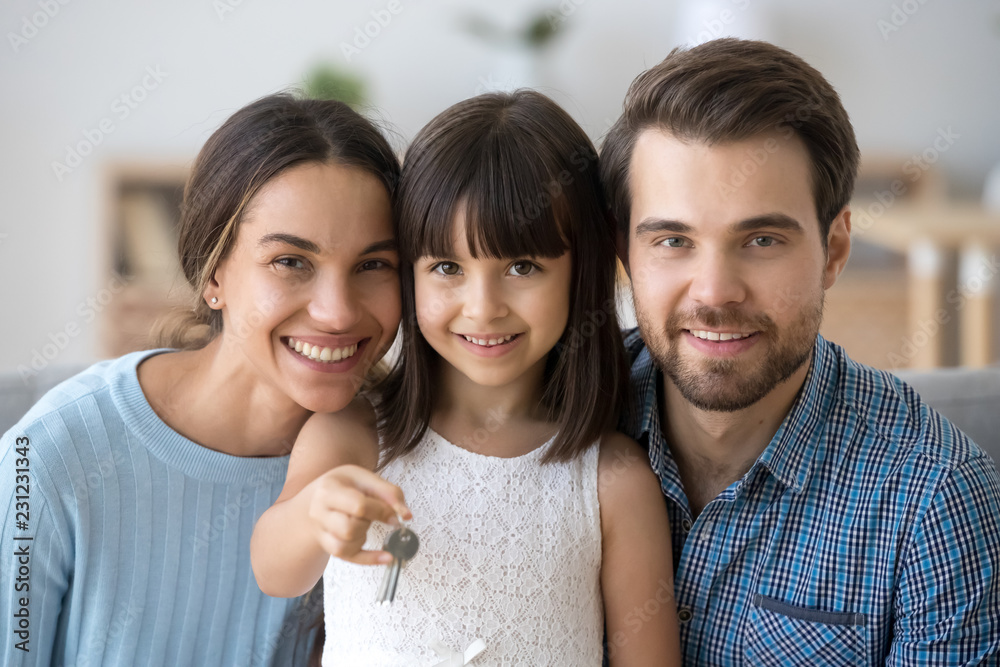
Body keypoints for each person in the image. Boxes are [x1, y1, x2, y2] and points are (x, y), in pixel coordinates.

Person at [601, 37, 1000, 664]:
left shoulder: (934, 506)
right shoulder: (551, 421)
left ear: (834, 249)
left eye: (761, 239)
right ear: (625, 254)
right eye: (673, 241)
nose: (715, 293)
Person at [251, 90, 681, 666]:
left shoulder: (614, 481)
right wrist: (313, 515)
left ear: (584, 273)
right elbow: (275, 571)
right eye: (448, 268)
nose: (482, 308)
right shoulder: (355, 435)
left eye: (522, 267)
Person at [0, 93, 402, 665]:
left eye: (373, 265)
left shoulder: (400, 454)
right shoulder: (45, 458)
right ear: (213, 274)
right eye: (291, 262)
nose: (337, 312)